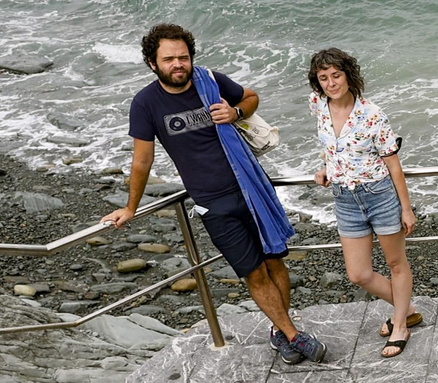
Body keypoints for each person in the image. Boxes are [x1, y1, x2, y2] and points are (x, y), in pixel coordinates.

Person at [102, 22, 328, 365]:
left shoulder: (211, 81)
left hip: (252, 187)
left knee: (275, 261)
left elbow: (251, 98)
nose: (178, 64)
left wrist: (235, 112)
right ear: (152, 62)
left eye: (183, 57)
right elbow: (142, 160)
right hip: (213, 203)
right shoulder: (146, 104)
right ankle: (295, 336)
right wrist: (130, 206)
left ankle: (281, 332)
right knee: (253, 271)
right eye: (169, 59)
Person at [307, 47, 421, 357]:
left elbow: (393, 165)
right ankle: (407, 309)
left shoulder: (371, 114)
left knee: (397, 265)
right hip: (344, 199)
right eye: (324, 78)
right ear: (318, 83)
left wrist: (406, 208)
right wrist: (327, 167)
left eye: (336, 75)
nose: (331, 83)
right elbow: (330, 145)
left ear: (348, 75)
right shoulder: (318, 104)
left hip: (380, 196)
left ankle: (401, 326)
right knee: (358, 274)